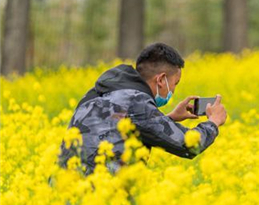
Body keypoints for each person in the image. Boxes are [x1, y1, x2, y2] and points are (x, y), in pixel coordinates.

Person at [58, 42, 227, 174]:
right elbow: (188, 145)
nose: (174, 90)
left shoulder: (98, 94)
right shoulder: (137, 102)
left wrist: (169, 119)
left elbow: (121, 129)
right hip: (96, 195)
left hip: (65, 189)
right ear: (161, 80)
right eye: (175, 83)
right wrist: (213, 122)